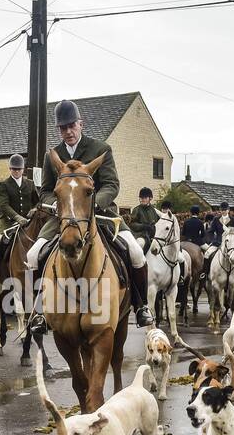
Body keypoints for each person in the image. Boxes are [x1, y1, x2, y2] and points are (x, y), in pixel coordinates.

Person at [26, 99, 153, 328]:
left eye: (71, 125)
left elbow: (111, 185)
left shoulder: (100, 149)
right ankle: (39, 311)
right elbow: (44, 191)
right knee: (34, 255)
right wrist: (57, 206)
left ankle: (141, 305)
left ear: (80, 124)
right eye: (63, 128)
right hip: (63, 218)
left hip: (101, 214)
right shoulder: (52, 155)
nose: (68, 131)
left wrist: (92, 205)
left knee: (136, 253)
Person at [0, 153, 39, 293]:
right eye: (14, 169)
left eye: (19, 169)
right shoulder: (4, 184)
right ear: (10, 169)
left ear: (23, 169)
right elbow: (3, 205)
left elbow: (38, 202)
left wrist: (34, 209)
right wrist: (17, 217)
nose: (16, 171)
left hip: (28, 221)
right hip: (8, 221)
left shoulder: (30, 184)